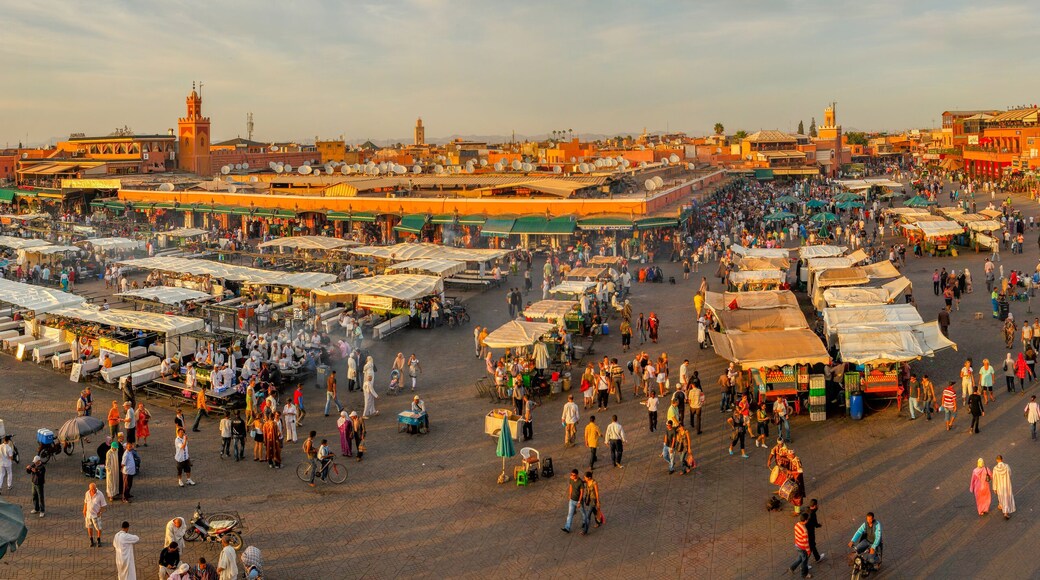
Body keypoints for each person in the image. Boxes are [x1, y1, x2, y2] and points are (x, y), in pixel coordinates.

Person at [84, 481, 107, 547]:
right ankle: (91, 540)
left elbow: (103, 505)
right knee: (89, 527)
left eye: (94, 488)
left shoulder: (100, 494)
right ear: (89, 489)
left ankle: (98, 539)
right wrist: (84, 510)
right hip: (88, 515)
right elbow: (86, 502)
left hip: (96, 515)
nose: (94, 490)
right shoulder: (87, 493)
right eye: (92, 489)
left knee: (99, 528)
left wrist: (100, 512)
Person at [790, 513, 813, 579]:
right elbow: (806, 542)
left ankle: (792, 567)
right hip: (802, 547)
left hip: (797, 545)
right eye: (807, 519)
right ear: (805, 520)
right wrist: (808, 551)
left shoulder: (797, 524)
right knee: (804, 561)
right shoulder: (805, 530)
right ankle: (804, 574)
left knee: (800, 558)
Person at [992, 455, 1016, 519]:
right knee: (1006, 497)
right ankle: (1003, 508)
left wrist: (994, 487)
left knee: (1001, 496)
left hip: (1000, 485)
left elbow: (994, 478)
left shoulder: (995, 468)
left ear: (997, 460)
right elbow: (1010, 473)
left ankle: (1004, 511)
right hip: (1007, 484)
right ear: (1002, 459)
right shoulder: (1007, 466)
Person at [580, 471, 601, 535]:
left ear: (589, 477)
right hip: (589, 499)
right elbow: (582, 481)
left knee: (588, 515)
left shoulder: (594, 483)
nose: (584, 478)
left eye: (585, 477)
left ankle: (585, 531)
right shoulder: (587, 481)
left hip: (593, 499)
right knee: (594, 511)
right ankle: (598, 522)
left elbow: (597, 493)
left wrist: (597, 501)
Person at [561, 469, 582, 534]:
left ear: (577, 475)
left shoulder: (580, 482)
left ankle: (585, 521)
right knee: (569, 514)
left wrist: (579, 502)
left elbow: (581, 493)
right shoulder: (571, 479)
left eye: (574, 475)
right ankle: (567, 527)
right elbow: (570, 487)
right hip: (572, 500)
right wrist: (569, 495)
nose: (572, 476)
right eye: (571, 475)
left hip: (578, 501)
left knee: (583, 513)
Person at [806, 499, 825, 563]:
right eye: (817, 505)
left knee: (812, 545)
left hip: (806, 532)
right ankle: (804, 564)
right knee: (811, 546)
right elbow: (815, 524)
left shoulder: (807, 510)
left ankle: (817, 558)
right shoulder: (813, 514)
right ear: (815, 506)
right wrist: (819, 525)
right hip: (810, 533)